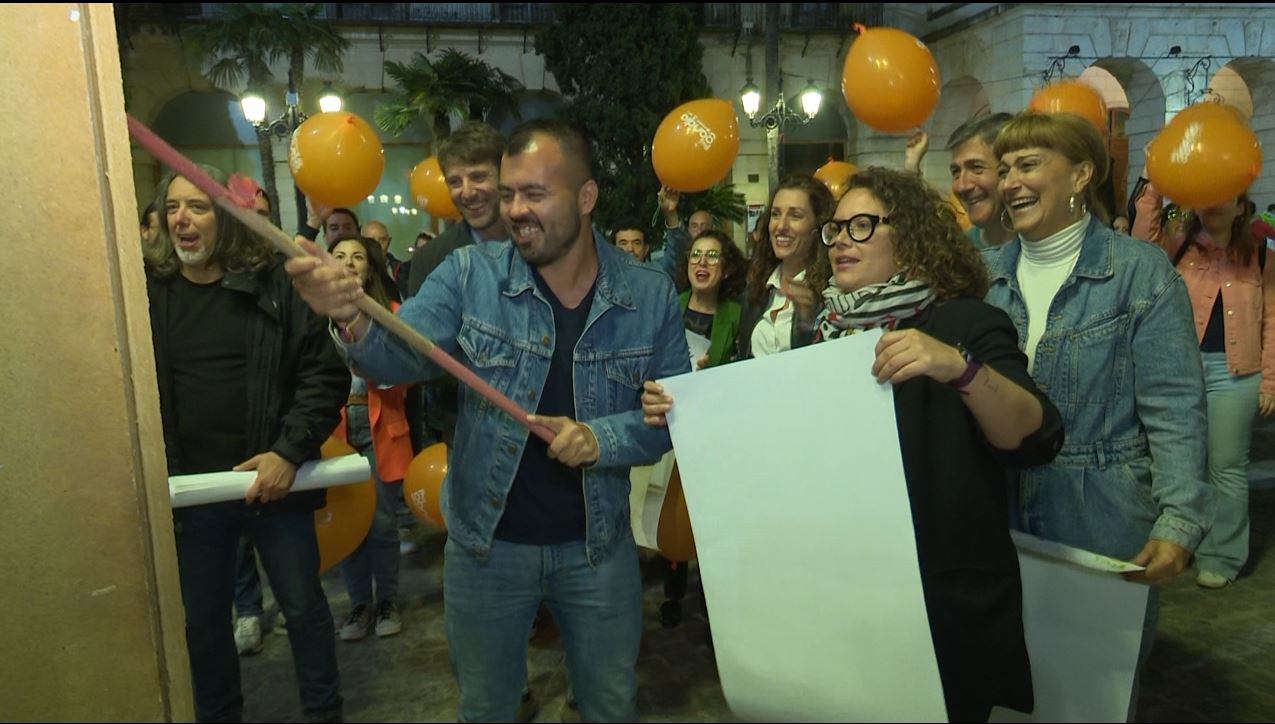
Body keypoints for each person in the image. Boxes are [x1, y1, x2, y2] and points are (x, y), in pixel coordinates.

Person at [286, 118, 691, 722]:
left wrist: (599, 439)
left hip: (597, 550)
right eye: (508, 193)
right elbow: (400, 353)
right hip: (486, 550)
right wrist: (353, 318)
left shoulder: (650, 294)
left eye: (534, 194)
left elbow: (668, 420)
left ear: (585, 198)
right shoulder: (470, 276)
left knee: (611, 704)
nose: (515, 209)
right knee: (486, 709)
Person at [642, 166, 1064, 722]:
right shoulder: (826, 332)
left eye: (861, 225)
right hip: (846, 598)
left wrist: (957, 369)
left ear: (910, 235)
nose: (840, 239)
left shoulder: (962, 320)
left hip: (935, 609)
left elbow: (1033, 434)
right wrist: (689, 411)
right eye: (836, 229)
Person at [986, 112, 1209, 705]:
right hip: (997, 514)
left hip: (1100, 521)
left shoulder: (1139, 273)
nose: (1010, 181)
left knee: (1092, 698)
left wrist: (1180, 520)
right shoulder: (985, 277)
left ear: (1081, 173)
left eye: (1028, 165)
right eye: (1005, 168)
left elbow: (1175, 405)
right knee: (1010, 692)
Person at [146, 165, 347, 722]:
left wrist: (288, 451)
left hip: (273, 488)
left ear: (228, 219)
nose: (182, 220)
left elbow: (323, 376)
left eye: (198, 208)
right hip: (191, 499)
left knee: (305, 611)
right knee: (203, 625)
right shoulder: (146, 293)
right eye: (172, 209)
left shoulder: (276, 284)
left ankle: (325, 715)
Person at [1133, 183, 1274, 588]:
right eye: (1208, 194)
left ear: (1241, 206)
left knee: (1226, 467)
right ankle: (1179, 541)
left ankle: (1222, 556)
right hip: (1179, 373)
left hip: (1237, 375)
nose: (1215, 202)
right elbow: (1142, 238)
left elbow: (1273, 323)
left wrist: (1270, 381)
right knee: (1177, 463)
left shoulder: (1261, 255)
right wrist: (1155, 183)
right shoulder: (1177, 247)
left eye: (1225, 195)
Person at [324, 234, 415, 637]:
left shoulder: (392, 313)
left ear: (370, 267)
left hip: (381, 425)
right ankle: (359, 605)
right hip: (335, 431)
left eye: (357, 256)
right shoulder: (316, 316)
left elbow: (406, 376)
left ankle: (388, 602)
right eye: (339, 255)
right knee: (347, 523)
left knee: (381, 523)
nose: (348, 262)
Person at [656, 228, 746, 629]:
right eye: (695, 255)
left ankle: (715, 598)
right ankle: (673, 590)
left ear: (725, 268)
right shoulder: (667, 308)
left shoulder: (739, 315)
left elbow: (747, 371)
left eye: (712, 256)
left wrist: (719, 373)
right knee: (671, 508)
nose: (702, 263)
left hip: (716, 434)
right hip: (671, 429)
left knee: (712, 516)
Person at [738, 175, 835, 359]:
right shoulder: (757, 287)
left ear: (819, 226)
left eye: (795, 216)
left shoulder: (832, 292)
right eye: (775, 214)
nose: (781, 226)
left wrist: (807, 325)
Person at [905, 113, 1016, 250]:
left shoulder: (1040, 248)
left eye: (976, 167)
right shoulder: (961, 252)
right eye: (956, 172)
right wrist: (911, 167)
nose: (962, 186)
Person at [361, 220, 406, 301]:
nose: (377, 244)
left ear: (389, 242)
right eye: (371, 240)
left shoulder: (402, 271)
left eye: (382, 240)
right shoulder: (356, 269)